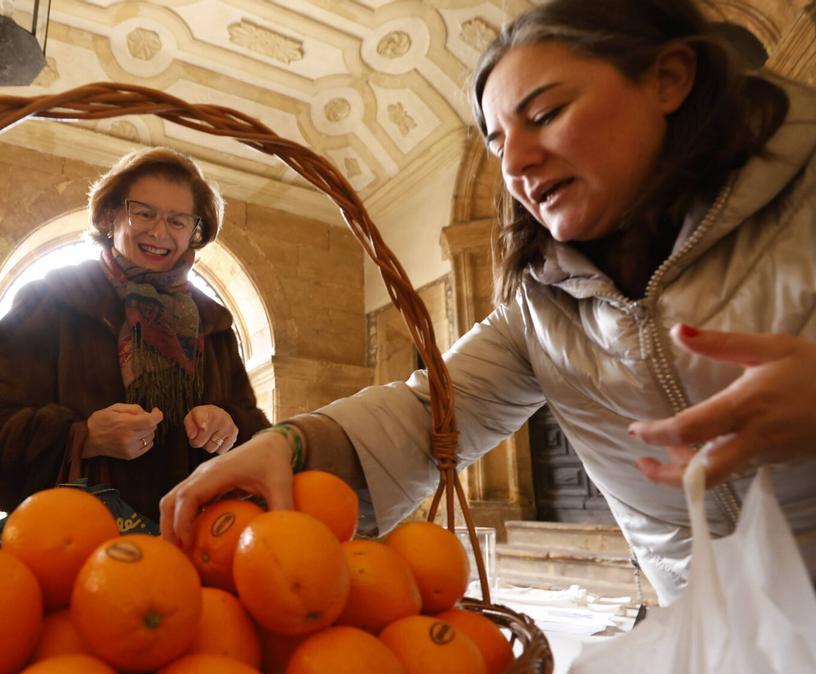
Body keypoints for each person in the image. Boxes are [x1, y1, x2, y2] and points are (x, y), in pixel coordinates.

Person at [160, 0, 816, 606]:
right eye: (498, 142)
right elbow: (431, 413)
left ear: (669, 78)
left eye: (546, 114)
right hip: (721, 641)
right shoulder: (542, 308)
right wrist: (295, 443)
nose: (517, 165)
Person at [0, 147, 270, 522]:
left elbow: (260, 440)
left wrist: (229, 425)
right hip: (69, 545)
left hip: (189, 552)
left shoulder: (213, 326)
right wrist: (82, 437)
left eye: (178, 221)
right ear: (111, 215)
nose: (160, 232)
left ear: (194, 232)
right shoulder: (52, 301)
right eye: (144, 213)